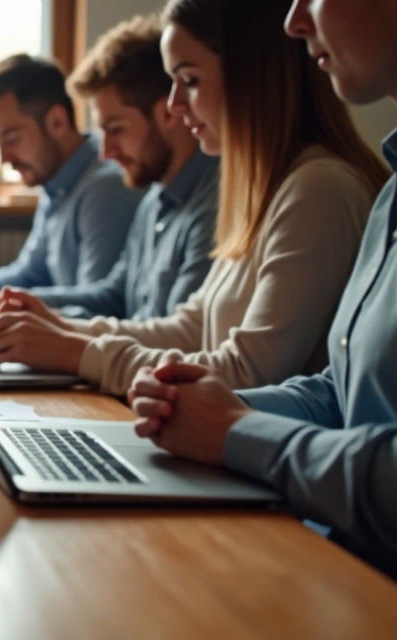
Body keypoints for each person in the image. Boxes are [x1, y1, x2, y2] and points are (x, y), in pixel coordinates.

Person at [0, 0, 388, 398]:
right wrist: (62, 329)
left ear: (251, 76)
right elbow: (190, 328)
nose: (174, 105)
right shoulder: (263, 189)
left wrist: (74, 351)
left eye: (189, 81)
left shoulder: (318, 189)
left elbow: (249, 373)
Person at [130, 0, 397, 577]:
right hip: (335, 548)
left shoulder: (323, 186)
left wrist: (235, 429)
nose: (294, 21)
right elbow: (344, 392)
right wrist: (207, 408)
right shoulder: (390, 195)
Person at [0, 15, 218, 329]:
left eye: (116, 129)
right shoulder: (154, 202)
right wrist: (19, 309)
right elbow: (112, 296)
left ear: (168, 112)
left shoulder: (211, 205)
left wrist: (38, 324)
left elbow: (180, 340)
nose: (106, 152)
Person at [0, 54, 143, 319]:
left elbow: (97, 309)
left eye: (12, 138)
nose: (4, 159)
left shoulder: (106, 190)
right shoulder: (56, 183)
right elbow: (29, 274)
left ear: (57, 122)